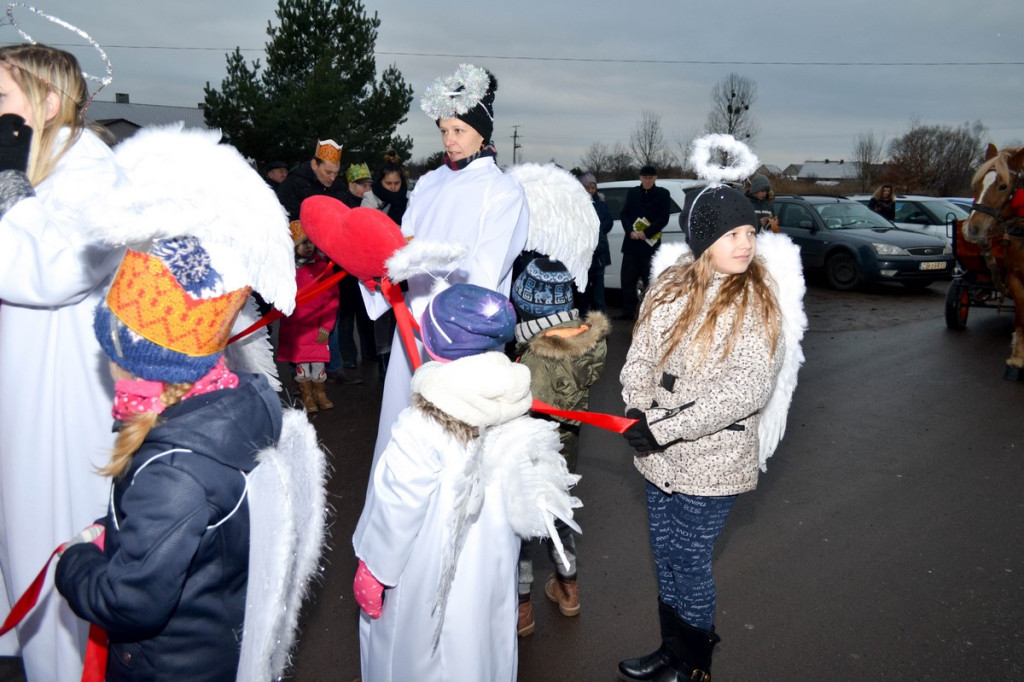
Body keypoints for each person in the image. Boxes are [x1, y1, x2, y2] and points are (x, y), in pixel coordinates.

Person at [53, 125, 319, 682]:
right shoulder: (232, 410)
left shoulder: (171, 469)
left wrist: (75, 563)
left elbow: (131, 601)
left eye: (114, 350)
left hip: (166, 665)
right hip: (212, 638)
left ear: (139, 360)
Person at [617, 184, 804, 681]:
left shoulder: (757, 302)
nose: (746, 243)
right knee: (665, 554)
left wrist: (666, 427)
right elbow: (640, 357)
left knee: (688, 556)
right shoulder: (669, 287)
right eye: (732, 233)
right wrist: (636, 407)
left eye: (749, 231)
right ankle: (670, 651)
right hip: (659, 454)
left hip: (715, 458)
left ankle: (694, 667)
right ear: (703, 240)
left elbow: (746, 391)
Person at [352, 283, 580, 682]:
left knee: (422, 651)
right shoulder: (512, 403)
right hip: (489, 567)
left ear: (437, 345)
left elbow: (397, 503)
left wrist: (376, 568)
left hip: (429, 569)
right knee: (481, 646)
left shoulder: (423, 422)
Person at [0, 43, 124, 681]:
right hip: (17, 394)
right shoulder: (31, 161)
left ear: (47, 103)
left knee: (53, 554)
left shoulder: (92, 173)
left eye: (0, 99)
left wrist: (5, 187)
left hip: (61, 403)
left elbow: (48, 271)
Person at [356, 63, 529, 472]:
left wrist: (423, 262)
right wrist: (375, 267)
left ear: (482, 132)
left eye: (459, 131)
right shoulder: (430, 183)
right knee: (407, 420)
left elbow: (486, 269)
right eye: (444, 131)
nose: (449, 141)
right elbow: (401, 247)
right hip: (410, 324)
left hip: (462, 335)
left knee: (457, 437)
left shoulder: (503, 191)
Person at [510, 257, 609, 637]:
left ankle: (521, 608)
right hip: (565, 450)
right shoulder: (583, 343)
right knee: (558, 516)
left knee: (519, 527)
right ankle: (568, 588)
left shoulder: (534, 358)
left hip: (528, 453)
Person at [277, 221, 340, 413]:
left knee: (318, 364)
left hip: (317, 327)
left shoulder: (323, 269)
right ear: (293, 245)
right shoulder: (286, 271)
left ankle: (320, 393)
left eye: (311, 242)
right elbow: (280, 299)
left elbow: (332, 300)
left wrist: (326, 327)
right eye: (303, 242)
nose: (308, 246)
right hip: (297, 330)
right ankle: (307, 395)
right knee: (302, 365)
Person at [327, 161, 377, 384]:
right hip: (344, 270)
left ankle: (370, 353)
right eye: (362, 185)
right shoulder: (343, 205)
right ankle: (348, 359)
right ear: (351, 185)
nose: (366, 189)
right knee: (346, 318)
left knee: (366, 315)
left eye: (368, 184)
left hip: (364, 269)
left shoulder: (372, 203)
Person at [361, 156, 409, 380]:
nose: (392, 188)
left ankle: (402, 357)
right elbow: (366, 227)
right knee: (382, 313)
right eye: (388, 184)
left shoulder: (408, 199)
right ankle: (383, 358)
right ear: (380, 182)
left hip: (404, 262)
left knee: (402, 309)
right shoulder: (370, 198)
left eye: (396, 184)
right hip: (379, 263)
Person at [618, 165, 670, 320]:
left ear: (655, 178)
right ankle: (628, 312)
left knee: (650, 280)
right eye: (645, 177)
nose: (647, 180)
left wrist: (646, 233)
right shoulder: (632, 193)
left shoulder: (662, 194)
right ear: (640, 178)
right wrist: (630, 231)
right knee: (627, 280)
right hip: (631, 245)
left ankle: (648, 313)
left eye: (650, 178)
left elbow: (664, 218)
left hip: (650, 246)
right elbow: (624, 214)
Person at [274, 138, 343, 220]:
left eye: (336, 173)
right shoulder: (292, 185)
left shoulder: (339, 187)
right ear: (315, 165)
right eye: (328, 172)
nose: (333, 178)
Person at [575, 172, 613, 315]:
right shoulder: (577, 204)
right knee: (582, 294)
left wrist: (597, 230)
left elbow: (608, 221)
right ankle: (582, 322)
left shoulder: (601, 203)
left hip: (599, 254)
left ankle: (601, 325)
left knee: (598, 295)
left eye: (593, 188)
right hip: (583, 255)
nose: (591, 191)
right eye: (588, 188)